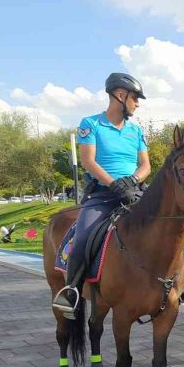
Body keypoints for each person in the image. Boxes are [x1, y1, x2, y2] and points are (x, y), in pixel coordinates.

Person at [52, 72, 150, 319]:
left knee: (164, 228)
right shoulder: (91, 124)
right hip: (102, 196)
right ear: (120, 95)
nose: (137, 103)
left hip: (135, 192)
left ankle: (172, 285)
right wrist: (114, 183)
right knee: (83, 237)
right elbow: (88, 161)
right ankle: (71, 292)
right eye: (135, 98)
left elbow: (146, 165)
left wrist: (133, 180)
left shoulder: (136, 131)